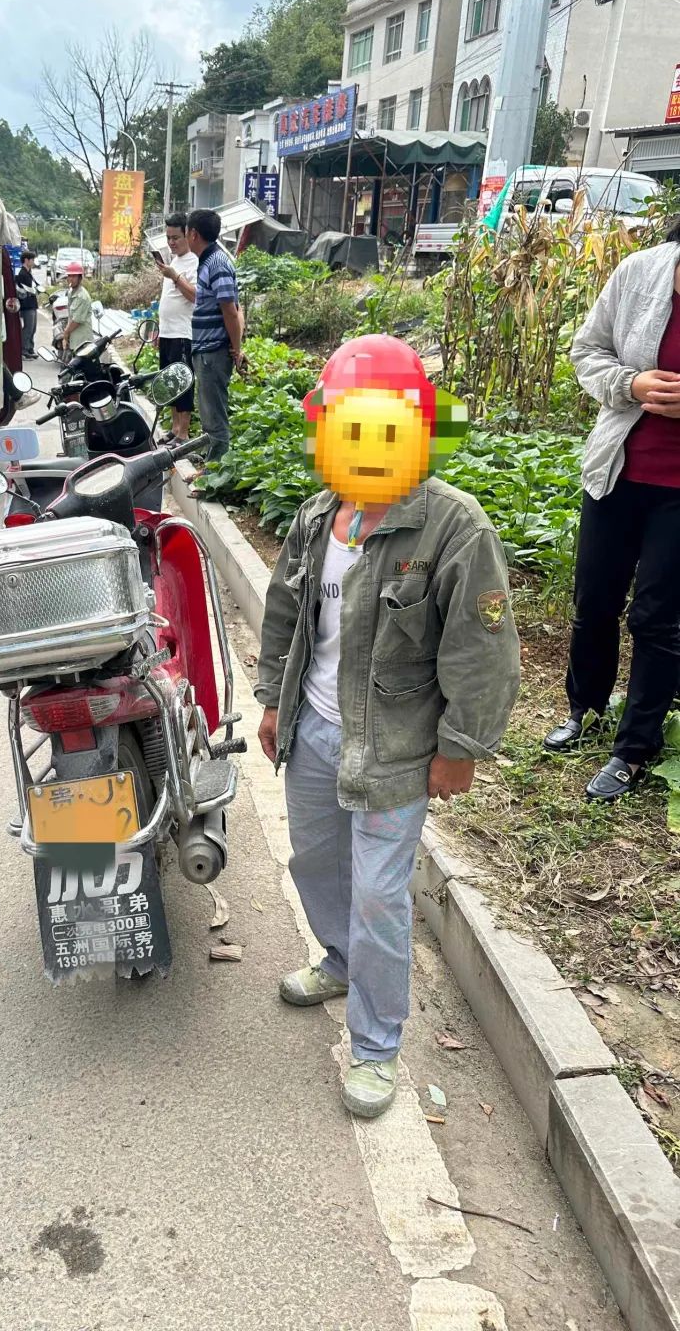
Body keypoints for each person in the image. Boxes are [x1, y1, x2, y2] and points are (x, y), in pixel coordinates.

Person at [255, 336, 520, 1119]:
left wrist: (461, 749)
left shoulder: (453, 529)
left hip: (398, 751)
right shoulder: (315, 517)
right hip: (314, 733)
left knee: (380, 895)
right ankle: (338, 962)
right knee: (316, 864)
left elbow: (483, 648)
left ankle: (375, 1048)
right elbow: (282, 615)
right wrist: (273, 700)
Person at [544, 218, 680, 801]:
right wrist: (632, 384)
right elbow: (587, 349)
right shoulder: (639, 273)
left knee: (657, 618)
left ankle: (633, 749)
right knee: (594, 599)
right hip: (617, 472)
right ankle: (586, 711)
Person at [185, 208, 242, 466]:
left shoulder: (217, 263)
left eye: (186, 232)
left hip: (213, 352)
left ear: (194, 234)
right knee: (208, 412)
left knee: (214, 415)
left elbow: (230, 311)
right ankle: (213, 463)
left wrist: (237, 349)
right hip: (206, 350)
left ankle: (217, 473)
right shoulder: (208, 262)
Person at [155, 212, 198, 447]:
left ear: (188, 235)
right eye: (168, 237)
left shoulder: (194, 261)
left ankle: (183, 433)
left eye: (176, 237)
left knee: (183, 382)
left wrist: (175, 277)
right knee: (169, 381)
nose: (171, 242)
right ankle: (174, 429)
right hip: (168, 332)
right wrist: (160, 330)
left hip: (184, 332)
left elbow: (195, 296)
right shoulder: (173, 261)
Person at [61, 262, 93, 355]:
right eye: (69, 276)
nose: (71, 279)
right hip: (74, 339)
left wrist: (66, 334)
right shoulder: (72, 292)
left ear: (80, 278)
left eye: (74, 276)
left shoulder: (81, 296)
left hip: (82, 341)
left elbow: (76, 320)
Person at [16, 249, 39, 359]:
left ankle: (30, 347)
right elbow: (26, 290)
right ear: (26, 260)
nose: (33, 262)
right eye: (32, 260)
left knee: (33, 327)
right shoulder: (22, 274)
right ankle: (24, 349)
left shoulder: (28, 273)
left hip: (32, 304)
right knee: (28, 327)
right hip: (27, 305)